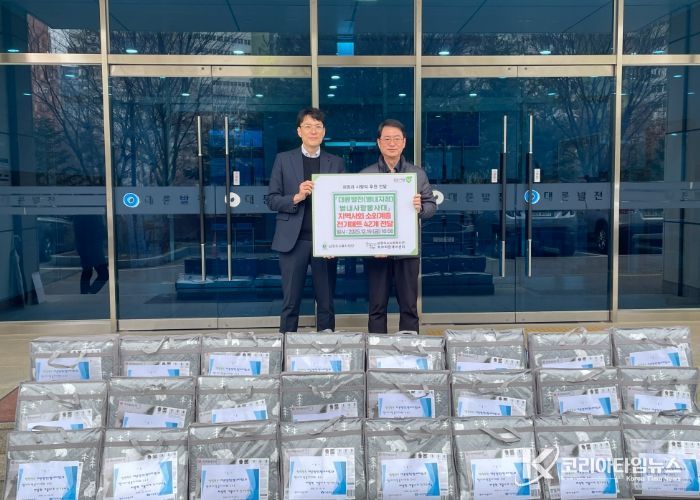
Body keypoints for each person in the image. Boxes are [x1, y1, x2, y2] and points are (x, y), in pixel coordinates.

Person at [268, 107, 345, 333]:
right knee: (290, 303)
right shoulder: (283, 160)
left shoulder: (336, 163)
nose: (313, 131)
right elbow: (272, 200)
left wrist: (336, 241)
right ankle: (285, 348)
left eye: (318, 127)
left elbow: (342, 204)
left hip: (325, 243)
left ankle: (326, 349)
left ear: (324, 131)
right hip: (293, 242)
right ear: (299, 131)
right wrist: (297, 196)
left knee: (326, 303)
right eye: (308, 126)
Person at [361, 119, 437, 333]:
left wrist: (420, 208)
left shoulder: (417, 174)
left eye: (396, 139)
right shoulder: (365, 175)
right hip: (377, 251)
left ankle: (410, 348)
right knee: (377, 307)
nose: (392, 143)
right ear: (379, 143)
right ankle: (377, 348)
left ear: (404, 142)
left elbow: (431, 206)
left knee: (409, 307)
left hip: (407, 250)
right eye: (387, 139)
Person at [73, 214, 109, 294]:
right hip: (93, 246)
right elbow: (99, 229)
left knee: (87, 271)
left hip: (84, 246)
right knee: (103, 274)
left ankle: (85, 294)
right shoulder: (92, 213)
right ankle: (89, 293)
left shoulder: (79, 214)